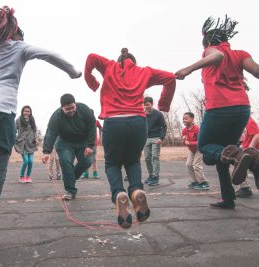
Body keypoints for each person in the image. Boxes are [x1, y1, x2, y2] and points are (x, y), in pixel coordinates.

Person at [0, 6, 81, 260]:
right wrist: (73, 72)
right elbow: (49, 54)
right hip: (0, 110)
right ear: (17, 34)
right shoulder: (20, 47)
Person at [175, 15, 259, 209]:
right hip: (242, 109)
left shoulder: (211, 50)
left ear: (210, 41)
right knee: (222, 154)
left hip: (219, 109)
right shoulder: (240, 54)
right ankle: (236, 188)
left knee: (205, 146)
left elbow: (218, 56)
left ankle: (240, 156)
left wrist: (188, 69)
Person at [84, 48, 176, 229]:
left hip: (114, 121)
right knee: (133, 161)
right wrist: (164, 104)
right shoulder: (144, 72)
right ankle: (135, 190)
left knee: (112, 163)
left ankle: (119, 194)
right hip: (138, 122)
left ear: (119, 60)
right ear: (134, 61)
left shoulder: (109, 66)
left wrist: (92, 82)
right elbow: (170, 78)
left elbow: (91, 58)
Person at [42, 94, 96, 200]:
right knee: (66, 162)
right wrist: (46, 151)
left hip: (83, 142)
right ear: (62, 108)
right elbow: (51, 134)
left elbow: (92, 128)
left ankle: (70, 177)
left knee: (87, 162)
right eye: (67, 109)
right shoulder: (56, 116)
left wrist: (89, 146)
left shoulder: (84, 109)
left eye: (73, 107)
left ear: (75, 104)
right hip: (65, 142)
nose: (71, 110)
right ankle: (70, 191)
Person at [235, 116, 259, 198]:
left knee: (236, 164)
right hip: (246, 147)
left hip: (253, 149)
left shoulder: (248, 120)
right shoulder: (243, 121)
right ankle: (256, 166)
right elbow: (245, 136)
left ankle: (245, 188)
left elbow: (257, 135)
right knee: (239, 164)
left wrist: (249, 149)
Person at [182, 112, 209, 190]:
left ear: (192, 119)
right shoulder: (184, 130)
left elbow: (201, 141)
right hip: (192, 150)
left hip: (200, 149)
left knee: (196, 165)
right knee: (188, 164)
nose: (184, 120)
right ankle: (195, 182)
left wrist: (190, 143)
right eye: (183, 119)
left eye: (186, 118)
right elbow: (184, 143)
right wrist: (184, 141)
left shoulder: (197, 129)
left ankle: (204, 183)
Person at [143, 96, 167, 186]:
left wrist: (161, 138)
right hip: (146, 139)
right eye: (144, 105)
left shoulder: (158, 114)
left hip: (156, 138)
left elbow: (164, 127)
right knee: (147, 158)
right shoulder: (143, 115)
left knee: (155, 157)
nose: (146, 107)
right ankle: (150, 175)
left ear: (152, 104)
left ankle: (155, 177)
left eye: (148, 105)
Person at [14, 105, 38, 183]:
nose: (26, 113)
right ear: (22, 111)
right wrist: (15, 139)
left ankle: (28, 177)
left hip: (31, 143)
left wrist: (36, 138)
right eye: (25, 111)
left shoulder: (32, 120)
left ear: (30, 112)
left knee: (31, 161)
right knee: (26, 161)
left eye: (28, 111)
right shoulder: (18, 120)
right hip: (22, 143)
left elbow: (35, 130)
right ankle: (21, 177)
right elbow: (14, 130)